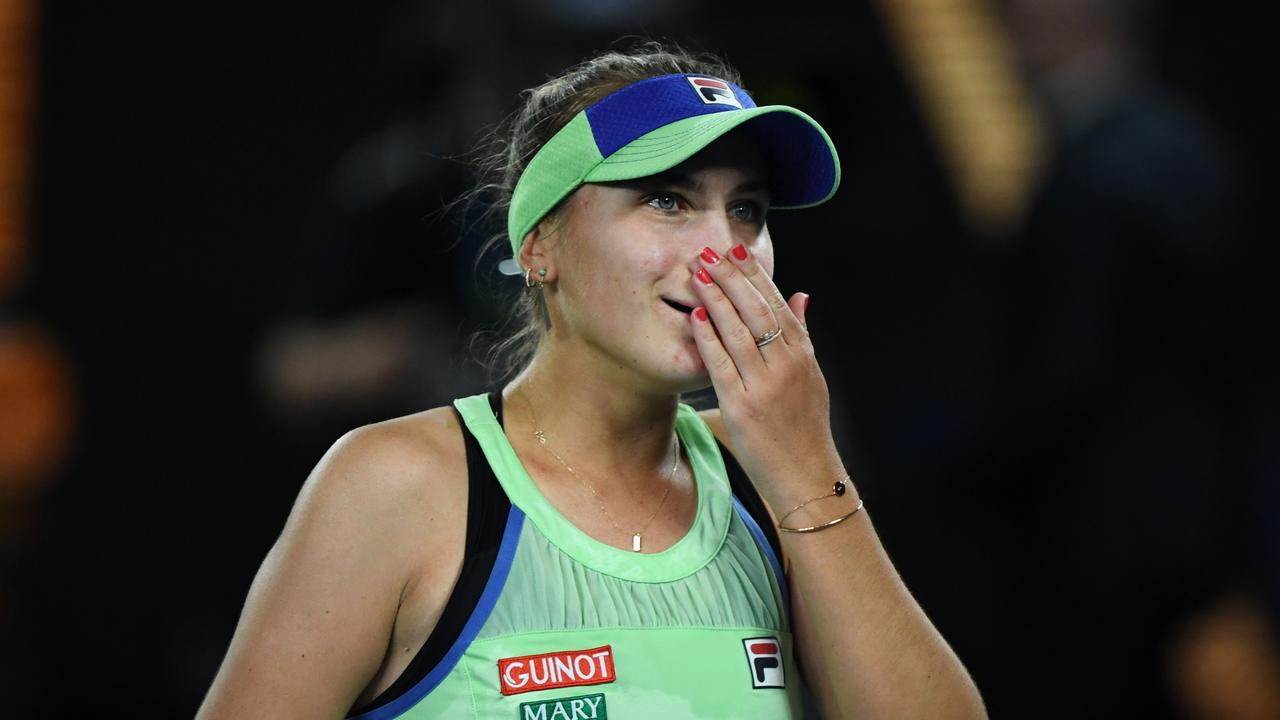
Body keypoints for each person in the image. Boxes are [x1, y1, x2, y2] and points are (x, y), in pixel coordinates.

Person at [197, 40, 986, 719]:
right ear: (540, 244)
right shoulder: (397, 487)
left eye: (747, 210)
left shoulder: (773, 481)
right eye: (668, 200)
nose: (725, 251)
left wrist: (809, 468)